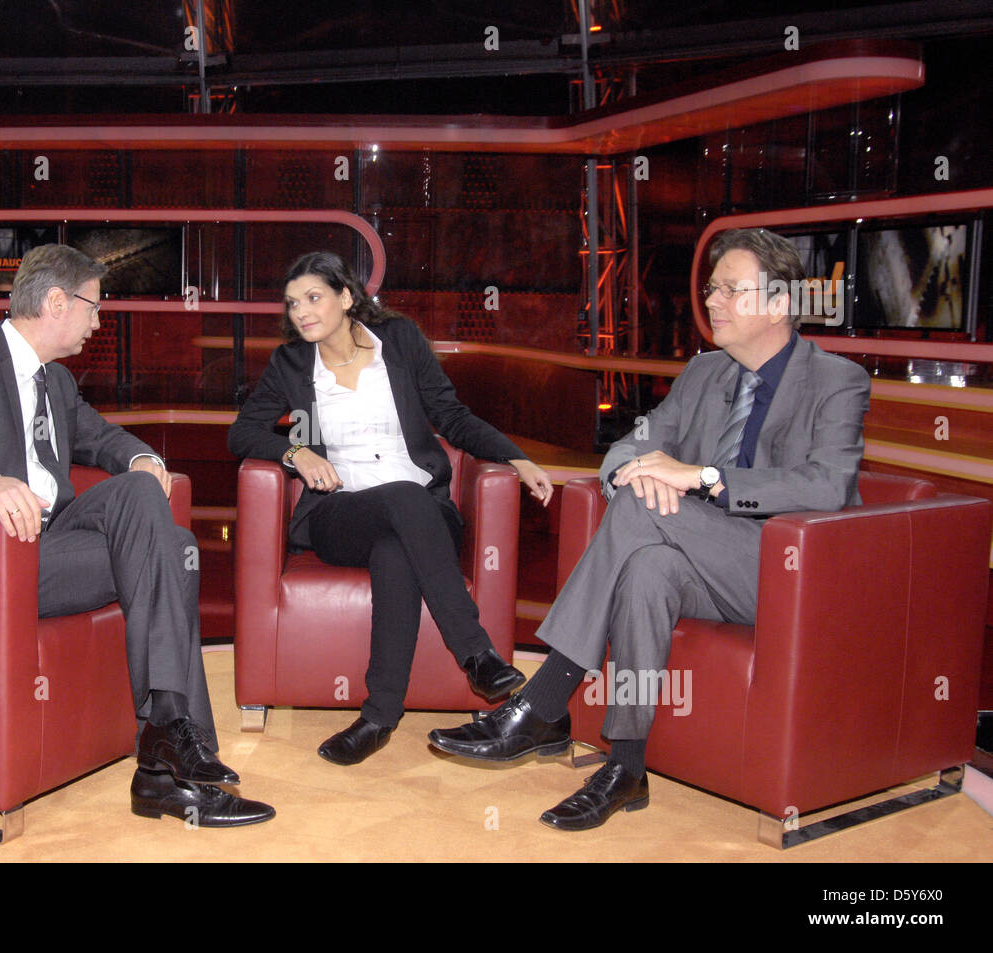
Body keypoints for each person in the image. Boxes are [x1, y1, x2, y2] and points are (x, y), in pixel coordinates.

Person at [429, 227, 871, 831]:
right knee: (646, 569)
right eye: (711, 288)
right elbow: (627, 448)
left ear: (778, 304)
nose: (711, 301)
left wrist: (704, 478)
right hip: (692, 559)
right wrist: (641, 473)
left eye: (729, 290)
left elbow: (827, 486)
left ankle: (545, 704)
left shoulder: (837, 381)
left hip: (782, 568)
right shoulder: (704, 374)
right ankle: (626, 767)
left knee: (642, 509)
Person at [0, 243, 274, 827]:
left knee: (173, 539)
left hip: (57, 548)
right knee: (175, 548)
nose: (96, 322)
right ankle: (170, 764)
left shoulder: (56, 383)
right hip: (0, 560)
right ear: (57, 302)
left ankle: (165, 749)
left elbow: (101, 438)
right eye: (93, 307)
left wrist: (140, 458)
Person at [228, 251, 554, 765]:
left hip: (425, 515)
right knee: (401, 500)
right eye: (293, 304)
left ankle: (379, 715)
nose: (302, 312)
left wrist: (514, 455)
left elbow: (451, 414)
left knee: (397, 545)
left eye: (313, 298)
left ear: (346, 297)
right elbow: (242, 433)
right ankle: (476, 652)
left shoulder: (399, 341)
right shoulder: (291, 363)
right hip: (341, 515)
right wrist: (297, 451)